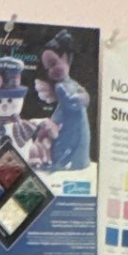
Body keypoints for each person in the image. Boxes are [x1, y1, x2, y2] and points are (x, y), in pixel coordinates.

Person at [34, 31, 91, 172]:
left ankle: (74, 161)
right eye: (48, 69)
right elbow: (66, 104)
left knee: (75, 142)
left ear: (65, 57)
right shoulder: (60, 87)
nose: (51, 71)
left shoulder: (71, 84)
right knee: (63, 142)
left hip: (76, 125)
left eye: (53, 64)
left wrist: (83, 97)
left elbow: (79, 100)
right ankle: (65, 161)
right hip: (67, 124)